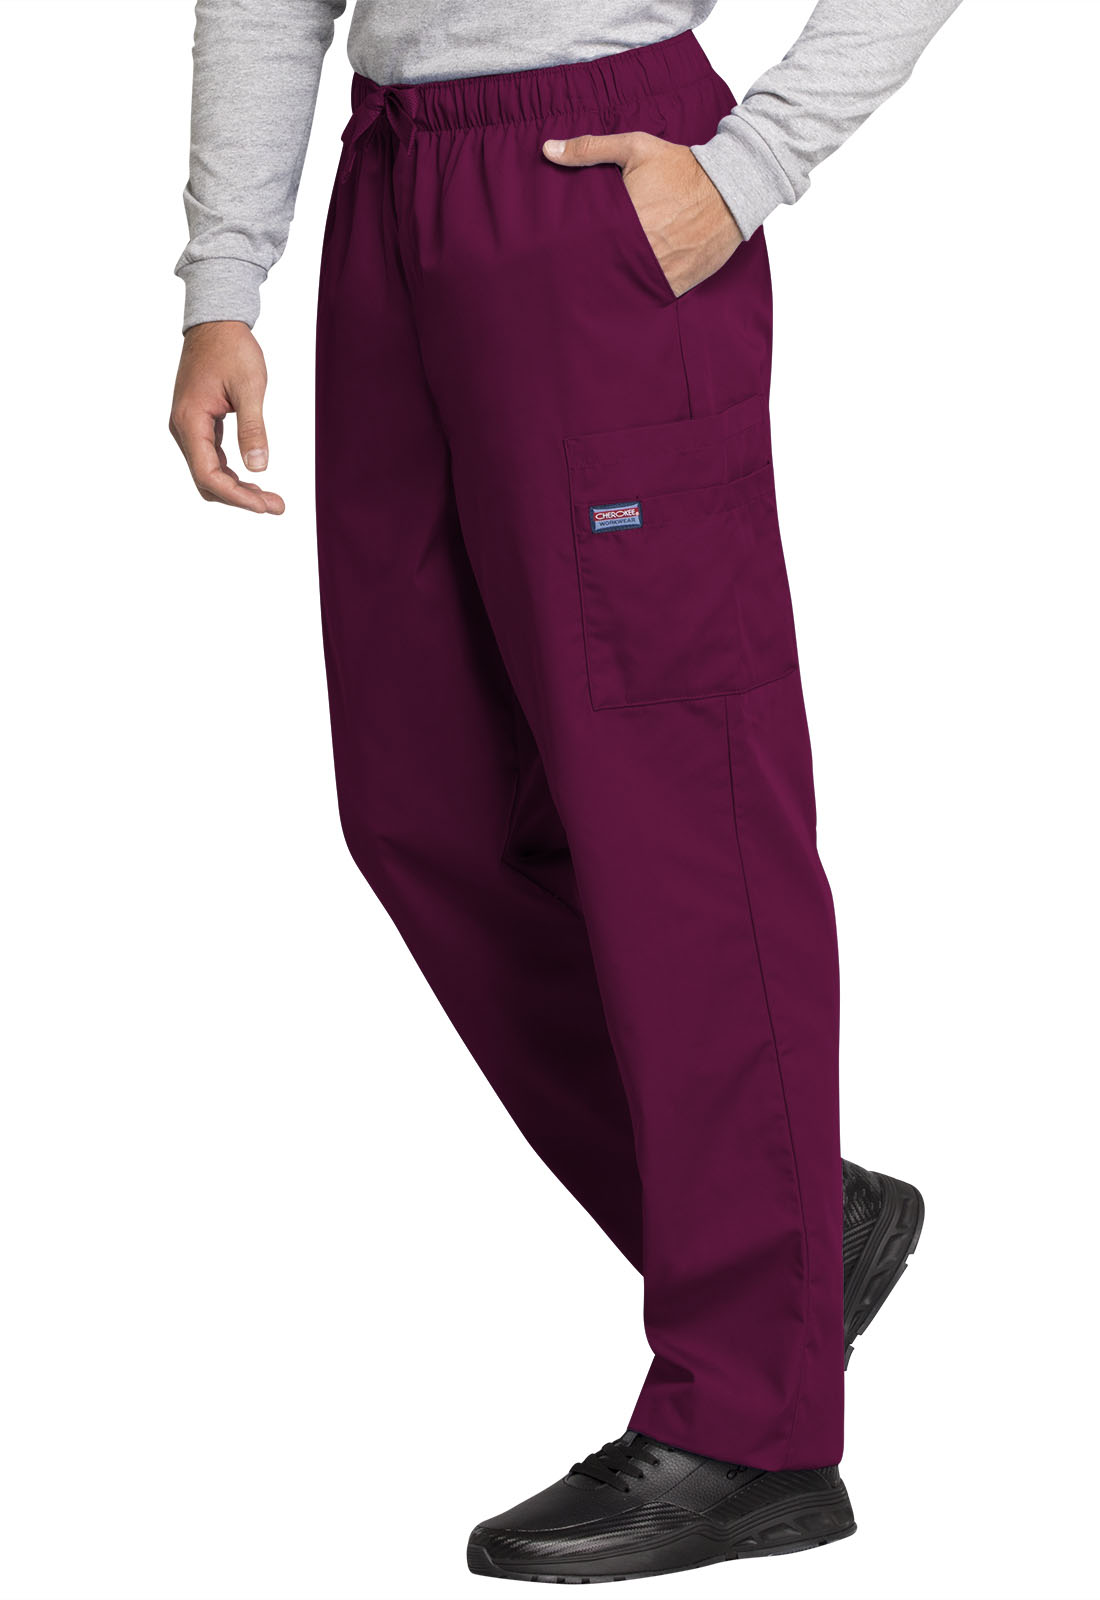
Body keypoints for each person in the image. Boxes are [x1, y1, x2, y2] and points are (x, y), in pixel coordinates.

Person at [170, 0, 959, 1582]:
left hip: (599, 178)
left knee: (680, 821)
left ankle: (757, 1430)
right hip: (394, 187)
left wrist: (753, 163)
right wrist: (223, 282)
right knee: (424, 801)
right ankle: (798, 1229)